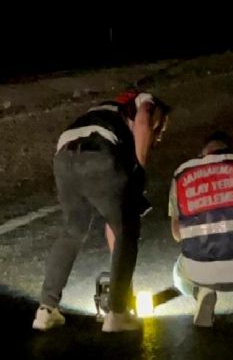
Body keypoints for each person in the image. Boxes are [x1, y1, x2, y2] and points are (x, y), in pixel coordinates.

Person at [35, 89, 170, 333]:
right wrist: (140, 167)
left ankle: (45, 310)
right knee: (129, 229)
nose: (159, 137)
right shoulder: (146, 101)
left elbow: (113, 229)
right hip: (99, 152)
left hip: (64, 157)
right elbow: (143, 120)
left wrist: (123, 276)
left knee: (73, 230)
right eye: (160, 130)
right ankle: (116, 315)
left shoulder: (102, 112)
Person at [169, 131, 233, 326]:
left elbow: (176, 234)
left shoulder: (180, 173)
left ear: (203, 153)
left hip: (198, 268)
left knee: (178, 270)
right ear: (228, 150)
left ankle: (201, 291)